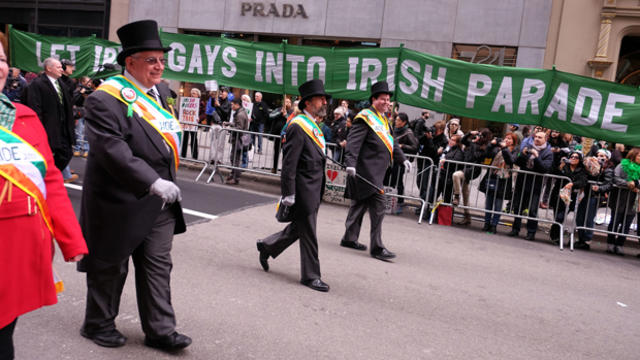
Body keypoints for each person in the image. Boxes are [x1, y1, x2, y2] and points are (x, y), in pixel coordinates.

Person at [77, 20, 191, 351]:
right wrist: (151, 180)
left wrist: (164, 182)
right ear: (130, 62)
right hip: (119, 197)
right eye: (151, 60)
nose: (159, 66)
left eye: (161, 59)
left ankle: (160, 330)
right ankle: (97, 324)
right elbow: (112, 149)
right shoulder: (104, 98)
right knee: (111, 264)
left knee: (158, 265)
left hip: (161, 201)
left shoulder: (165, 93)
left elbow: (164, 136)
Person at [0, 42, 88, 360]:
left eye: (1, 58)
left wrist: (71, 240)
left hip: (15, 255)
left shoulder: (24, 119)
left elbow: (49, 178)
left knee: (4, 337)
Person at [256, 79, 330, 292]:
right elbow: (289, 163)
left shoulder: (313, 125)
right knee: (309, 234)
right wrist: (288, 193)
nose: (324, 102)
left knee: (299, 229)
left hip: (314, 188)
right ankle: (311, 276)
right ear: (308, 103)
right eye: (320, 99)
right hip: (303, 190)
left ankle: (267, 245)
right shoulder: (298, 126)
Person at [339, 81, 411, 261]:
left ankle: (349, 238)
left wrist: (403, 159)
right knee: (379, 207)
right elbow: (354, 142)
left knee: (359, 205)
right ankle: (377, 247)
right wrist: (350, 163)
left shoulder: (384, 119)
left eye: (388, 100)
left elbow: (392, 143)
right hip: (365, 172)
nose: (387, 103)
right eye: (383, 99)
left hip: (376, 172)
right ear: (374, 99)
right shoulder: (365, 117)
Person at [22, 57, 76, 182]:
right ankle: (45, 180)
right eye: (58, 67)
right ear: (48, 68)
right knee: (50, 156)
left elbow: (68, 103)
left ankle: (52, 176)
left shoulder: (61, 84)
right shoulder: (37, 84)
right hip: (49, 129)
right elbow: (35, 109)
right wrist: (39, 131)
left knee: (66, 154)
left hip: (64, 129)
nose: (61, 70)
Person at [508, 130, 553, 241]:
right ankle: (515, 229)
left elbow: (544, 168)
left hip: (535, 184)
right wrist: (523, 155)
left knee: (532, 210)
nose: (537, 139)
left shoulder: (548, 152)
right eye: (536, 137)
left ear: (545, 139)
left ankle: (531, 232)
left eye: (540, 137)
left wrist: (536, 157)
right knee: (518, 207)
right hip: (522, 181)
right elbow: (517, 162)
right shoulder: (527, 147)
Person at [451, 128, 493, 225]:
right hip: (465, 168)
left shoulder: (485, 148)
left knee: (456, 175)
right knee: (465, 194)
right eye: (479, 135)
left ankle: (456, 196)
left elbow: (476, 156)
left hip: (472, 171)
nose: (478, 137)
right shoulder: (473, 144)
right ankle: (467, 217)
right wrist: (470, 133)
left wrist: (475, 144)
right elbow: (463, 140)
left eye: (481, 135)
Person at [575, 149, 614, 250]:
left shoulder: (608, 169)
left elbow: (608, 184)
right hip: (584, 194)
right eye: (598, 155)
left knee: (589, 218)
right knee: (579, 217)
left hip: (594, 196)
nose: (600, 157)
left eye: (603, 156)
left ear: (607, 158)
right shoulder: (591, 164)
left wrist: (599, 188)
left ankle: (587, 240)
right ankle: (580, 238)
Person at [481, 132, 519, 234]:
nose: (507, 140)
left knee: (498, 204)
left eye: (510, 139)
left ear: (514, 142)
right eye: (506, 138)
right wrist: (491, 144)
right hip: (492, 177)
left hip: (504, 179)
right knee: (488, 202)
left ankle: (494, 225)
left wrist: (504, 149)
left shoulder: (514, 150)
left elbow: (510, 161)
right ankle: (486, 223)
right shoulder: (497, 148)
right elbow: (486, 155)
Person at [606, 148, 640, 256]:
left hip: (633, 202)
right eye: (639, 155)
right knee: (614, 222)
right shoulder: (622, 165)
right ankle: (610, 243)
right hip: (619, 199)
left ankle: (620, 244)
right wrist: (628, 184)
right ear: (633, 156)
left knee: (626, 224)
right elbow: (615, 178)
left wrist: (636, 185)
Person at [548, 151, 587, 244]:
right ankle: (555, 236)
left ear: (580, 160)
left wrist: (572, 184)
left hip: (571, 197)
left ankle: (555, 235)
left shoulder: (582, 170)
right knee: (558, 217)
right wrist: (560, 165)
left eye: (576, 157)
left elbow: (583, 181)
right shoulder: (563, 166)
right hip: (558, 195)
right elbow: (553, 172)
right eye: (572, 156)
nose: (573, 158)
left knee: (560, 216)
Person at [383, 112, 418, 213]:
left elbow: (414, 147)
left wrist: (402, 146)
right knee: (385, 179)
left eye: (398, 120)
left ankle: (400, 202)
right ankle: (385, 200)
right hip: (390, 160)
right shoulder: (394, 130)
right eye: (396, 120)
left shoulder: (408, 132)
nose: (396, 122)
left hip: (400, 161)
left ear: (404, 122)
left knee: (397, 181)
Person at [225, 97, 249, 185]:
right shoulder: (240, 112)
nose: (231, 106)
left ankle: (236, 178)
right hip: (238, 139)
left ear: (237, 105)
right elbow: (238, 124)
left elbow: (239, 128)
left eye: (232, 104)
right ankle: (233, 174)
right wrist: (229, 124)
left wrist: (229, 128)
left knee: (235, 159)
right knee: (234, 158)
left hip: (238, 139)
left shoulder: (240, 114)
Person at [180, 88, 202, 159]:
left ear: (198, 95)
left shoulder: (201, 103)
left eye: (194, 93)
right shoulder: (188, 101)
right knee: (185, 138)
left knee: (194, 138)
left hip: (194, 123)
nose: (192, 95)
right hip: (187, 122)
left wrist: (200, 118)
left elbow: (204, 112)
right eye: (192, 93)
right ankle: (183, 154)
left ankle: (195, 156)